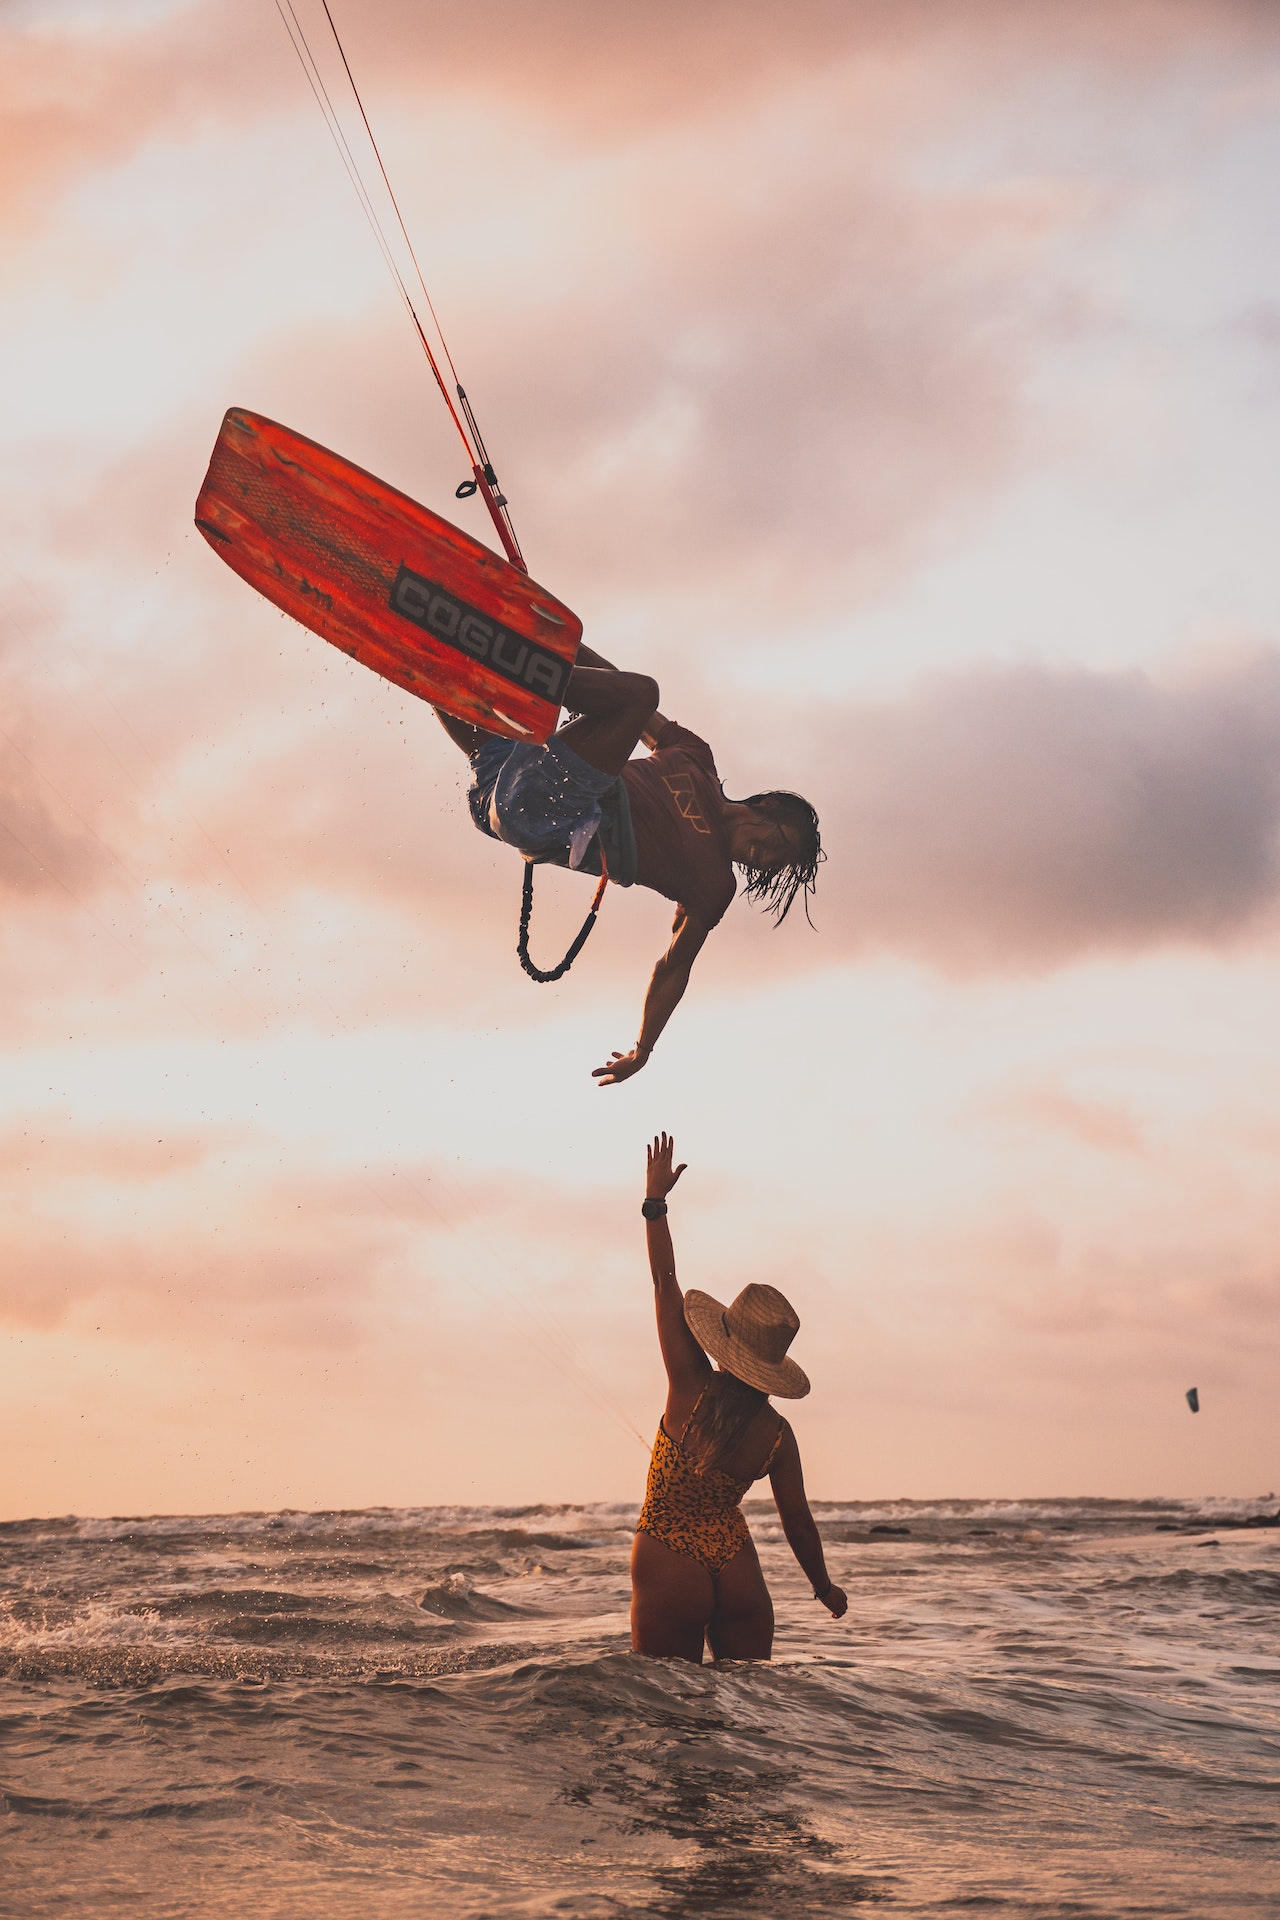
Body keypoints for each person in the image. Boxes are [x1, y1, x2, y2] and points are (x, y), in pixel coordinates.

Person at [433, 644, 822, 1084]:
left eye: (776, 864)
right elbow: (612, 681)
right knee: (447, 673)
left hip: (543, 813)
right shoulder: (696, 757)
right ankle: (432, 639)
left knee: (642, 695)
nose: (764, 859)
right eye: (776, 844)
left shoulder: (713, 884)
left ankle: (515, 656)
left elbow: (673, 966)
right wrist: (565, 644)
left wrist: (643, 1049)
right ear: (768, 806)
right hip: (498, 789)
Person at [630, 1133, 848, 1663]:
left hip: (669, 1560)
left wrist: (655, 1204)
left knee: (670, 1717)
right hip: (737, 1571)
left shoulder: (690, 1382)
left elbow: (665, 1282)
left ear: (725, 1340)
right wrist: (823, 1587)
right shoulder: (777, 1436)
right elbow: (796, 1519)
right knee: (745, 1727)